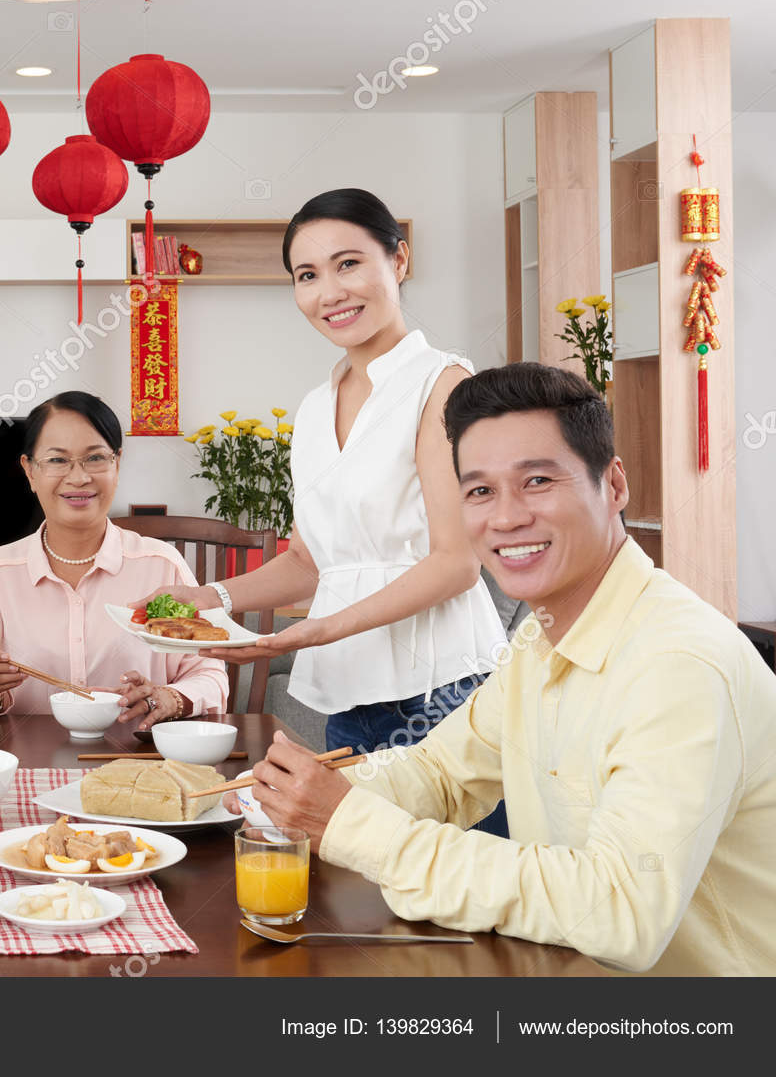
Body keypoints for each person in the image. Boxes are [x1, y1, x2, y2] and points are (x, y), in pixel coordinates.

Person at [231, 363, 776, 975]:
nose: (506, 517)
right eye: (479, 491)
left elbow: (621, 908)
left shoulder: (679, 664)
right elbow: (440, 773)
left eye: (537, 480)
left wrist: (353, 825)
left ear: (614, 484)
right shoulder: (538, 644)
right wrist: (307, 798)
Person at [137, 188, 506, 757]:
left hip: (444, 689)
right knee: (351, 849)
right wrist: (206, 597)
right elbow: (311, 563)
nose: (329, 293)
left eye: (349, 264)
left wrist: (320, 629)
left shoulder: (443, 384)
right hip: (350, 695)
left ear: (399, 261)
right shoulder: (314, 407)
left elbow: (455, 564)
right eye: (306, 275)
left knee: (457, 847)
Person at [0, 391, 227, 724]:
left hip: (140, 759)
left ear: (117, 463)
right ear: (30, 471)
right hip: (26, 760)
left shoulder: (162, 565)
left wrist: (170, 698)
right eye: (57, 460)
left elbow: (210, 675)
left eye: (95, 458)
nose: (79, 477)